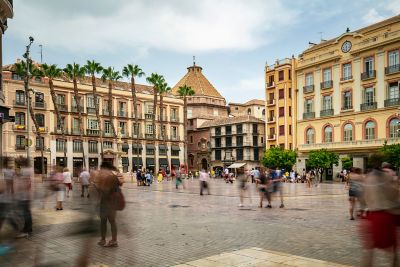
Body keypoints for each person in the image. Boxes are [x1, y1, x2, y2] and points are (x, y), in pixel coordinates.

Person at [361, 154, 399, 267]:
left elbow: (364, 198)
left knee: (369, 251)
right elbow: (393, 194)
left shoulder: (368, 177)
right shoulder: (386, 177)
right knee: (392, 250)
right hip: (385, 216)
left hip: (371, 215)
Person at [94, 162, 124, 248]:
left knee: (109, 221)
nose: (101, 171)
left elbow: (106, 191)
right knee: (107, 221)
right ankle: (105, 239)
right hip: (109, 202)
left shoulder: (110, 177)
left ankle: (112, 240)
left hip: (108, 203)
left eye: (102, 169)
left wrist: (97, 186)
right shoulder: (112, 176)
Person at [14, 157, 33, 238]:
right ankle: (28, 228)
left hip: (24, 195)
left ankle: (27, 230)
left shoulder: (25, 170)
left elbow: (26, 182)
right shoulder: (27, 169)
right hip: (25, 195)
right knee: (26, 212)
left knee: (25, 213)